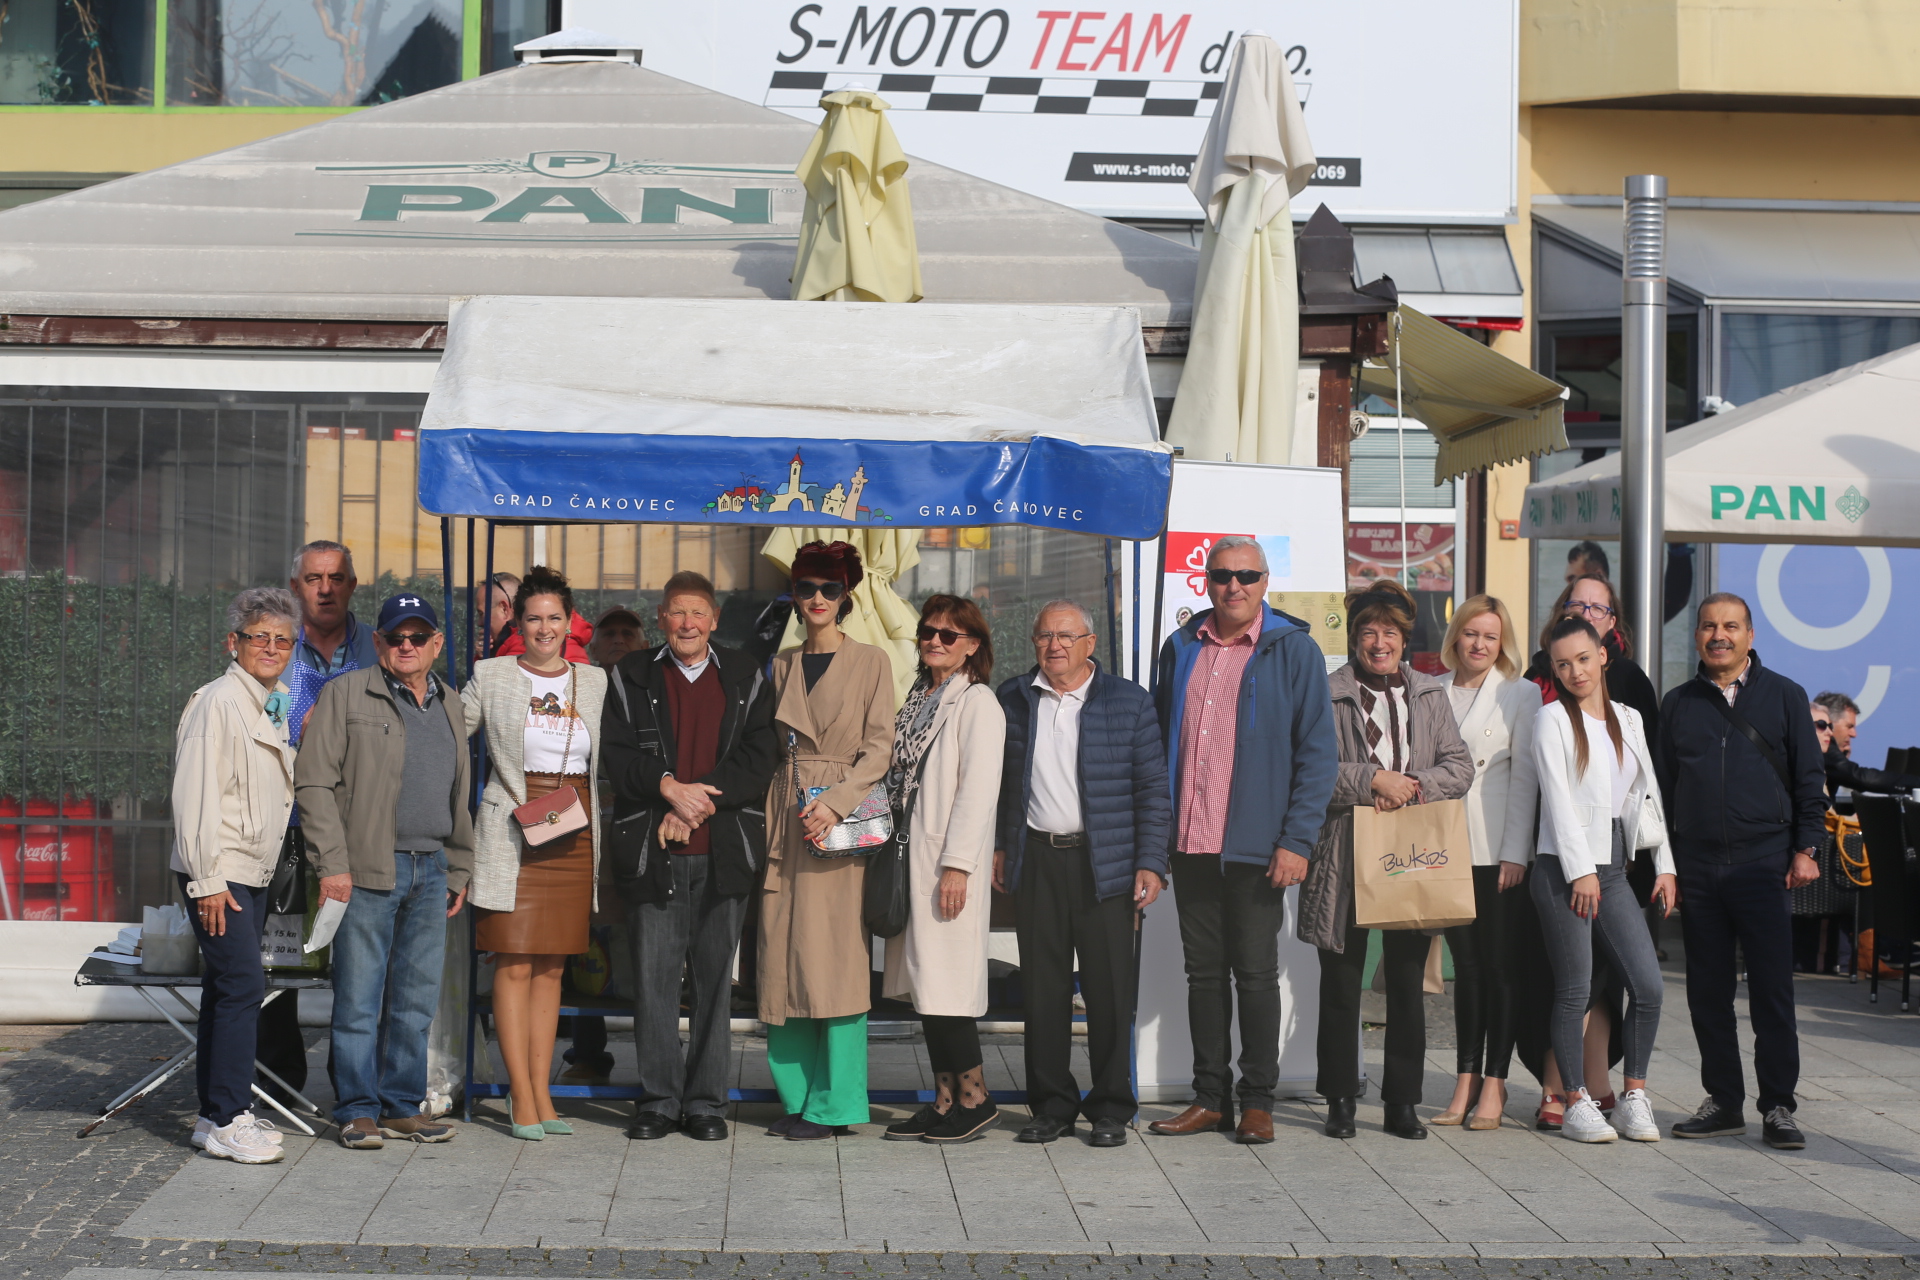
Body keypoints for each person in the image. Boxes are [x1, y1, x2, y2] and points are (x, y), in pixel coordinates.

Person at [1147, 535, 1336, 1145]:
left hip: (1258, 845)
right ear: (1205, 579)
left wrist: (1297, 840)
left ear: (1264, 581)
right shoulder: (1180, 647)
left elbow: (1317, 755)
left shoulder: (1296, 651)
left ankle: (1257, 1100)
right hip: (1191, 841)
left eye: (1246, 575)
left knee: (1255, 975)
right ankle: (1210, 1098)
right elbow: (1156, 746)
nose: (1234, 586)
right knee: (1201, 976)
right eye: (1223, 575)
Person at [602, 571, 777, 1141]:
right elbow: (617, 756)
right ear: (660, 619)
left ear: (715, 621)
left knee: (711, 982)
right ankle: (658, 1099)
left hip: (722, 851)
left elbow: (760, 755)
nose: (687, 624)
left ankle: (705, 1102)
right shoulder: (630, 674)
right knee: (653, 982)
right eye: (677, 613)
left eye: (698, 613)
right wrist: (666, 786)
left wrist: (693, 803)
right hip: (654, 853)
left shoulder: (746, 673)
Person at [295, 593, 472, 1150]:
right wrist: (333, 865)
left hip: (432, 868)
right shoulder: (345, 692)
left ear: (436, 645)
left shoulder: (449, 702)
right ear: (378, 642)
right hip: (367, 870)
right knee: (358, 998)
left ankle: (400, 1106)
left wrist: (459, 868)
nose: (407, 646)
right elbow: (314, 783)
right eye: (396, 637)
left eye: (418, 637)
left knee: (416, 1000)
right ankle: (355, 1109)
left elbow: (459, 792)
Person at [1300, 580, 1472, 1141]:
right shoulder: (1327, 693)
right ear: (1354, 637)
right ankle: (1339, 1100)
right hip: (1343, 853)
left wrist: (1411, 785)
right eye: (1369, 631)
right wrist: (1370, 779)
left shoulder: (1428, 694)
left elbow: (1460, 767)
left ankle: (1402, 1102)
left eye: (1391, 633)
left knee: (1405, 984)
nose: (1380, 642)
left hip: (1412, 853)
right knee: (1341, 984)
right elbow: (1311, 771)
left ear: (1405, 638)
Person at [996, 600, 1169, 1148]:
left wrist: (1150, 861)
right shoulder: (1014, 699)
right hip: (1038, 859)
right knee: (1043, 992)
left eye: (1067, 636)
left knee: (1108, 990)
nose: (1055, 646)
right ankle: (1051, 1106)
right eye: (1045, 636)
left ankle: (1112, 1107)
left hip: (1106, 862)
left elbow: (1151, 790)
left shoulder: (1128, 702)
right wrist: (1002, 847)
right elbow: (1001, 785)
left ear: (1090, 643)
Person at [1657, 592, 1825, 1150]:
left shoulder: (1785, 696)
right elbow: (1662, 789)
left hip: (1763, 864)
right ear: (1699, 636)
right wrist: (1668, 864)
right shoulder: (1679, 703)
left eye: (1731, 626)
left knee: (1772, 992)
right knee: (1707, 994)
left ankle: (1778, 1105)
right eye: (1708, 626)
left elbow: (1808, 780)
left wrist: (1808, 848)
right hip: (1700, 867)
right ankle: (1724, 1101)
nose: (1718, 635)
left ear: (1750, 635)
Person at [460, 566, 609, 1140]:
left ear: (568, 622)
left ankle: (544, 1093)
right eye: (533, 618)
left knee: (552, 968)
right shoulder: (492, 675)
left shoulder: (592, 681)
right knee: (514, 959)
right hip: (513, 829)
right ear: (517, 624)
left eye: (554, 618)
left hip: (574, 827)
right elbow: (451, 730)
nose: (544, 628)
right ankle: (520, 1094)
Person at [759, 541, 895, 1140]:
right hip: (783, 813)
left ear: (846, 596)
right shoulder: (781, 663)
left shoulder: (872, 661)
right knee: (779, 951)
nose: (817, 598)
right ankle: (796, 1095)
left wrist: (834, 807)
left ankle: (835, 1104)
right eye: (807, 587)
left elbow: (879, 747)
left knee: (835, 960)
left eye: (829, 589)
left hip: (838, 821)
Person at [1531, 615, 1677, 1143]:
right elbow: (1560, 802)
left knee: (1649, 985)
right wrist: (1581, 871)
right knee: (1574, 990)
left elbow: (1648, 796)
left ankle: (1633, 1096)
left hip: (1615, 868)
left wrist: (1664, 865)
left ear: (1603, 657)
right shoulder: (1551, 720)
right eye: (1563, 664)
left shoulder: (1629, 718)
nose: (1575, 671)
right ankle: (1574, 1101)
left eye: (1583, 659)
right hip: (1563, 869)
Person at [171, 587, 302, 1165]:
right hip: (220, 873)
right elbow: (194, 795)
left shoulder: (269, 701)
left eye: (282, 640)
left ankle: (209, 1116)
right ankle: (229, 1116)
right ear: (235, 643)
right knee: (245, 986)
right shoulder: (220, 701)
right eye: (259, 637)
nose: (270, 648)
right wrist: (207, 880)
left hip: (249, 869)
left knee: (226, 989)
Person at [880, 596, 1006, 1144]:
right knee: (927, 985)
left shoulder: (978, 702)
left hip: (945, 863)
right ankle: (945, 1097)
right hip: (912, 857)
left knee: (948, 985)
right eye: (928, 632)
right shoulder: (918, 696)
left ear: (973, 645)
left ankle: (976, 1098)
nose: (934, 641)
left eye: (949, 635)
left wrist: (956, 866)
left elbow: (978, 793)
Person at [266, 539, 379, 1100]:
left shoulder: (379, 648)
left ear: (353, 586)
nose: (325, 589)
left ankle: (354, 1089)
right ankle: (276, 1088)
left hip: (358, 827)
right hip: (284, 826)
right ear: (295, 587)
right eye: (313, 579)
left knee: (357, 963)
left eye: (337, 578)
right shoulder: (272, 648)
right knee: (280, 957)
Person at [1432, 595, 1538, 1131]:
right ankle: (1464, 1079)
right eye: (1471, 633)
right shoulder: (1430, 690)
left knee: (1500, 970)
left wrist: (1517, 853)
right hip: (1443, 850)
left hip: (1497, 853)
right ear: (1456, 636)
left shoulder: (1523, 694)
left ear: (1503, 644)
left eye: (1490, 637)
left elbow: (1525, 781)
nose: (1479, 644)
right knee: (1467, 972)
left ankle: (1494, 1083)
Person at [561, 602, 648, 1087]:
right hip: (587, 827)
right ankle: (588, 1052)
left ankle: (661, 1049)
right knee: (586, 937)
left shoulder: (653, 686)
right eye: (609, 632)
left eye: (628, 632)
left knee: (649, 938)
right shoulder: (581, 688)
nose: (618, 639)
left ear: (642, 641)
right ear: (593, 646)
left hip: (643, 826)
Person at [1524, 575, 1658, 730]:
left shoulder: (1629, 678)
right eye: (1577, 605)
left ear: (1611, 622)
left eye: (1598, 608)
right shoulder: (1536, 675)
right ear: (1565, 611)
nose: (1586, 616)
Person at [1812, 691, 1920, 797]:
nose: (1854, 734)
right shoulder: (1819, 748)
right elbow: (1858, 777)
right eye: (1849, 726)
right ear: (1830, 722)